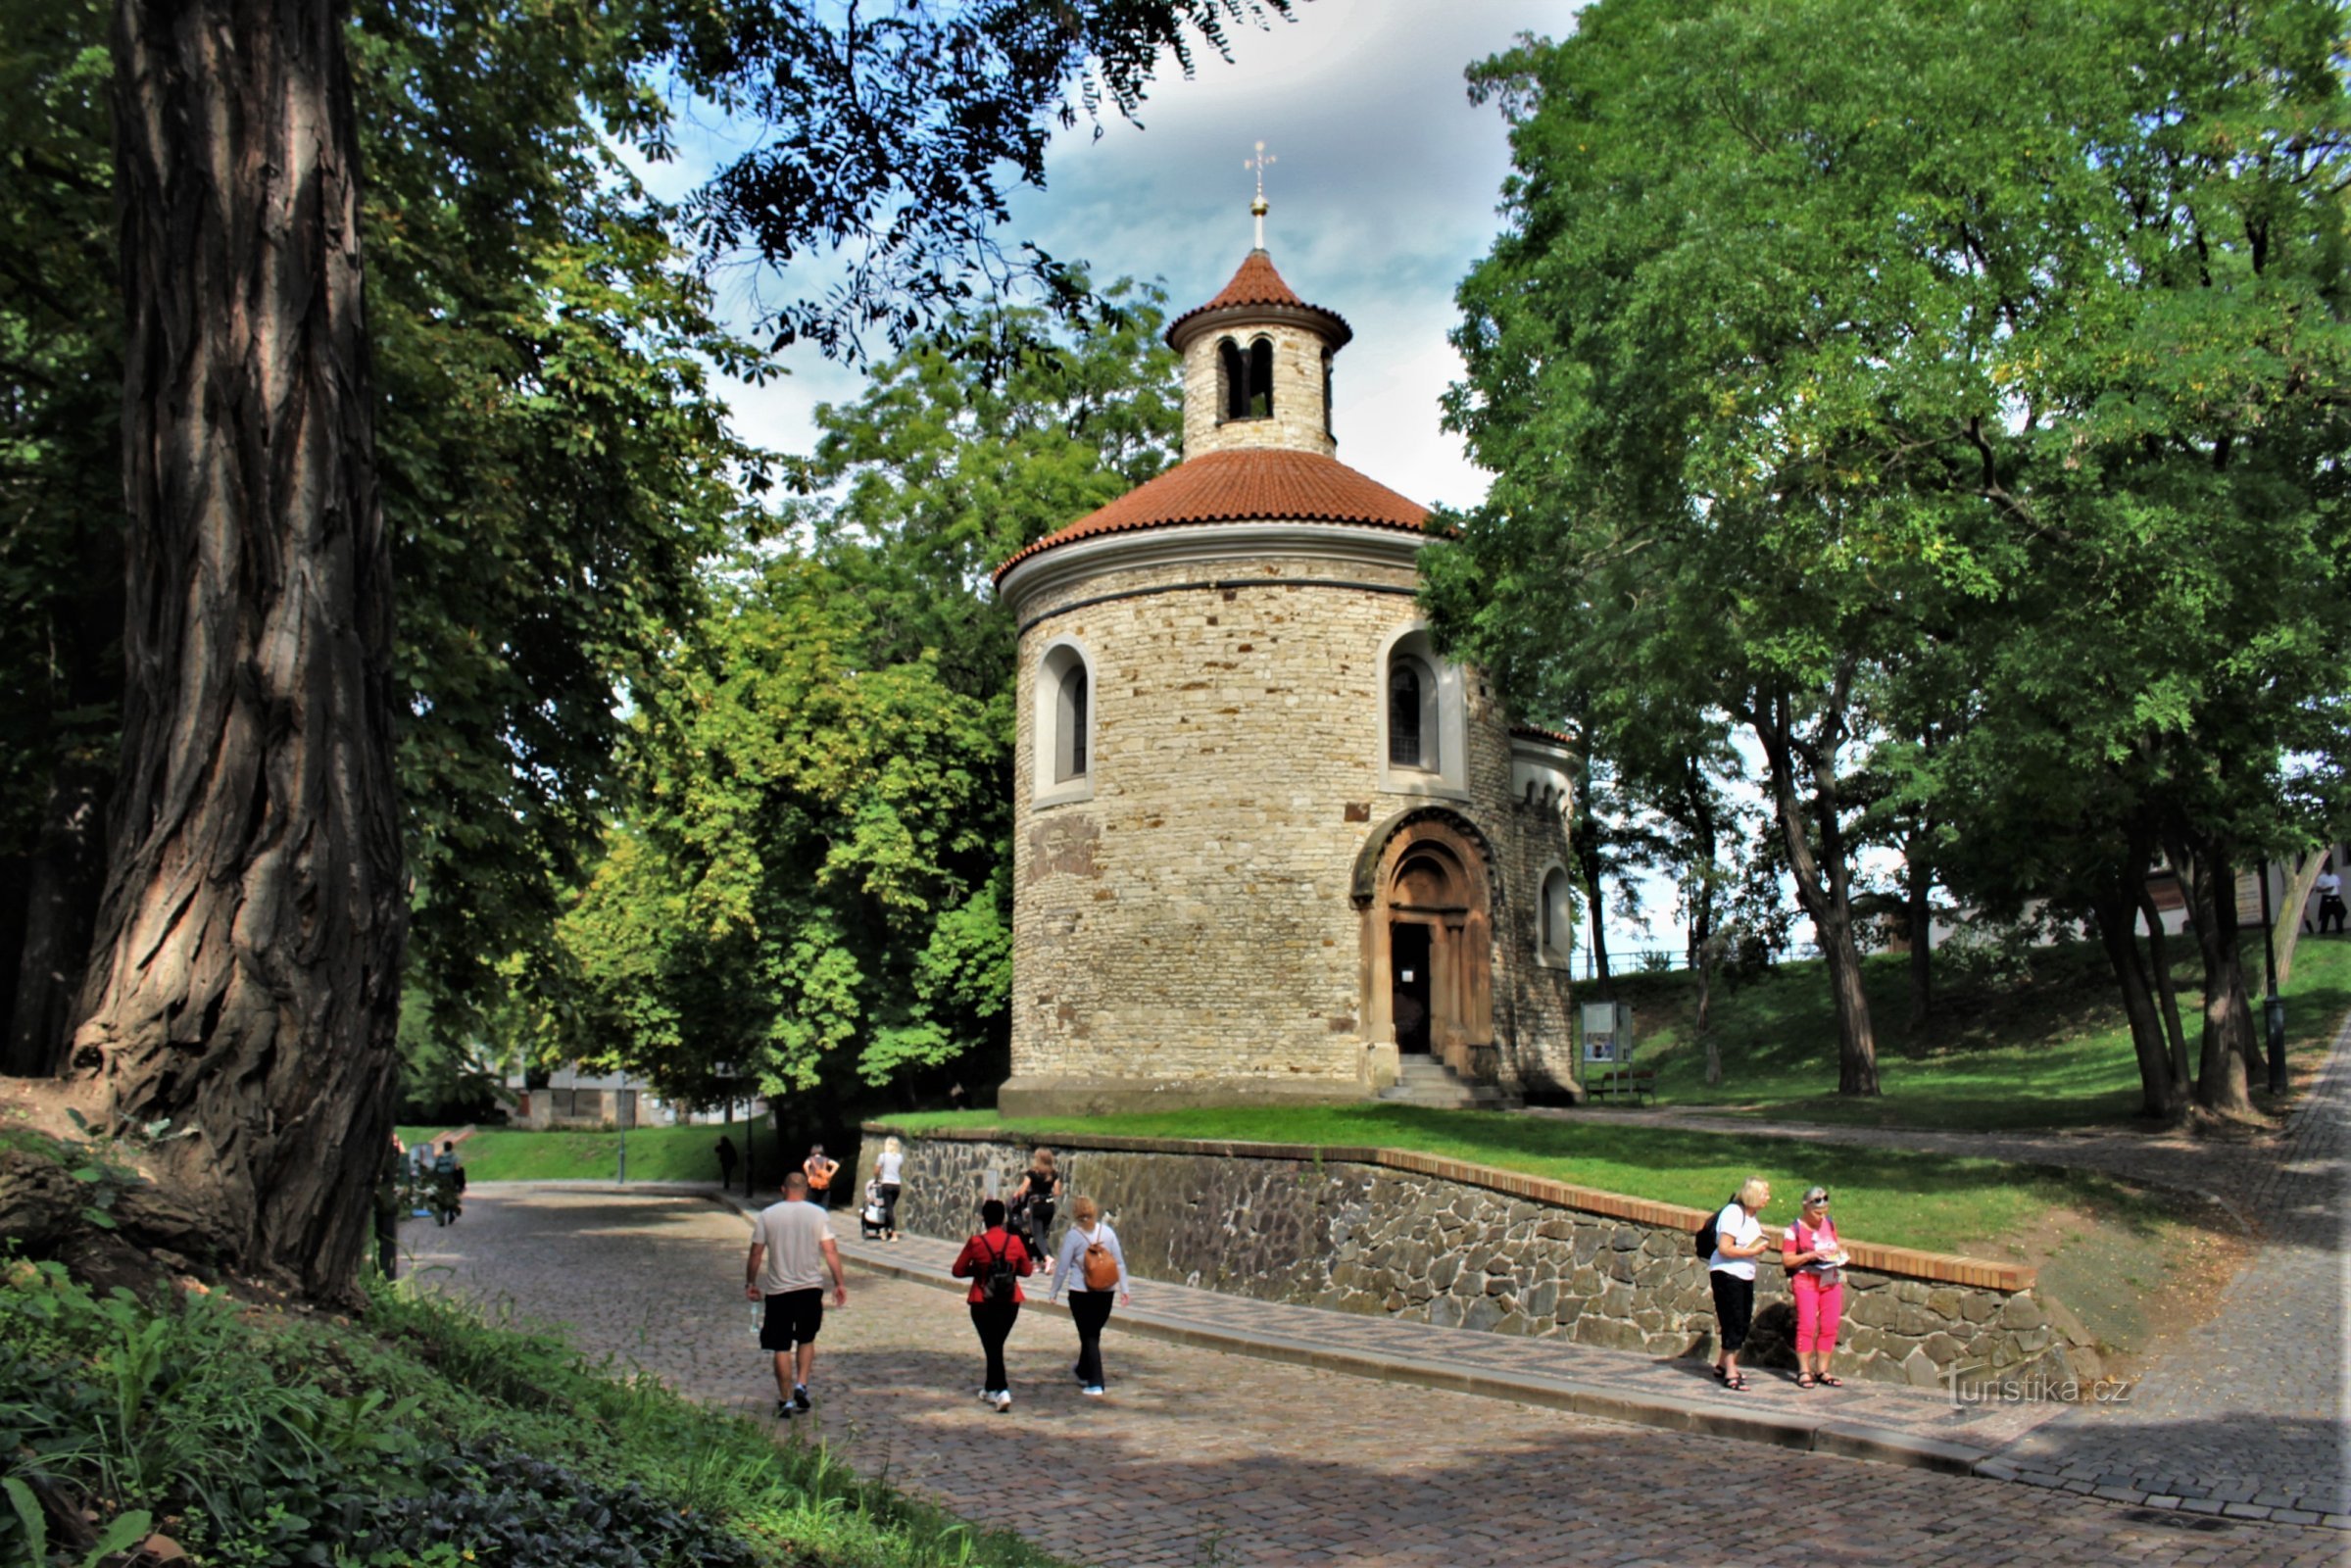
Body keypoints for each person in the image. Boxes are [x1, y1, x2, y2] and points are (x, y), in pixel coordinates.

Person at [744, 1171, 849, 1421]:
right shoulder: (818, 1214)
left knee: (780, 1345)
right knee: (806, 1338)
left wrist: (750, 1282)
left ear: (783, 1189)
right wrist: (839, 1282)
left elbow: (756, 1253)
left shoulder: (768, 1215)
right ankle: (802, 1383)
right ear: (806, 1189)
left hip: (779, 1291)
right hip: (810, 1289)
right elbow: (830, 1250)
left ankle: (786, 1398)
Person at [950, 1198, 1033, 1411]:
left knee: (992, 1345)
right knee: (995, 1345)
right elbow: (1026, 1271)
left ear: (984, 1219)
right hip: (1009, 1300)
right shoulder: (1015, 1241)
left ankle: (1002, 1390)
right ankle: (990, 1388)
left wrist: (978, 1270)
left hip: (982, 1300)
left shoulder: (976, 1242)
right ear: (1003, 1219)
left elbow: (958, 1270)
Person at [1047, 1195, 1131, 1396]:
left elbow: (1063, 1267)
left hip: (1081, 1292)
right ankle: (1083, 1369)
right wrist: (1124, 1289)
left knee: (1089, 1335)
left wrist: (1054, 1290)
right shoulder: (1108, 1233)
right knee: (1092, 1333)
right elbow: (1119, 1262)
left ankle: (1096, 1382)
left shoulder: (1074, 1236)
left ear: (1075, 1213)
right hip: (1106, 1293)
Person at [1707, 1176, 1773, 1391]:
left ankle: (1721, 1364)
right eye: (1764, 1194)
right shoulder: (1734, 1213)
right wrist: (1752, 1251)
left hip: (1745, 1273)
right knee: (1733, 1320)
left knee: (1743, 1320)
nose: (1768, 1198)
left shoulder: (1752, 1216)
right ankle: (1731, 1370)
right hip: (1727, 1273)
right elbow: (1725, 1247)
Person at [1782, 1186, 1846, 1389]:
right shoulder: (1794, 1230)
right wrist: (1810, 1256)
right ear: (1806, 1207)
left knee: (1829, 1324)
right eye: (1817, 1213)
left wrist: (1838, 1254)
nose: (1820, 1217)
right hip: (1806, 1279)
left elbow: (1835, 1244)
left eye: (1823, 1212)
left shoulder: (1829, 1223)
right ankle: (1804, 1370)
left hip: (1829, 1277)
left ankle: (1823, 1369)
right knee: (1808, 1324)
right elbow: (1788, 1260)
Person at [1008, 1147, 1061, 1275]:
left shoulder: (1032, 1172)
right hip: (1049, 1206)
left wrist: (1016, 1194)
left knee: (1037, 1235)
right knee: (1043, 1234)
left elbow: (1023, 1189)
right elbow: (1057, 1192)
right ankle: (1040, 1261)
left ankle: (1048, 1258)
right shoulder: (1054, 1174)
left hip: (1036, 1206)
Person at [873, 1136, 906, 1242]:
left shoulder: (882, 1156)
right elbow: (899, 1169)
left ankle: (894, 1233)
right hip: (897, 1185)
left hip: (886, 1184)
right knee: (889, 1208)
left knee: (889, 1209)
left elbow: (877, 1170)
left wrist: (877, 1178)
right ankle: (885, 1231)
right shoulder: (900, 1157)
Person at [803, 1144, 840, 1209]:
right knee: (823, 1206)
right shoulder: (826, 1159)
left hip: (813, 1186)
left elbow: (805, 1165)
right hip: (824, 1186)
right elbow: (836, 1165)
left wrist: (809, 1176)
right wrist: (830, 1175)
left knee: (810, 1206)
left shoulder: (810, 1159)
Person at [2318, 860, 2346, 936]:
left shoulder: (2335, 877)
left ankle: (2340, 931)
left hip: (2336, 898)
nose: (2330, 869)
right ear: (2325, 868)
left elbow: (2337, 888)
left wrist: (2339, 897)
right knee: (2325, 917)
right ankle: (2323, 932)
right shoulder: (2322, 877)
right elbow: (2318, 889)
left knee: (2339, 916)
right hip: (2327, 898)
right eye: (2328, 867)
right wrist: (2327, 889)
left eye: (2331, 867)